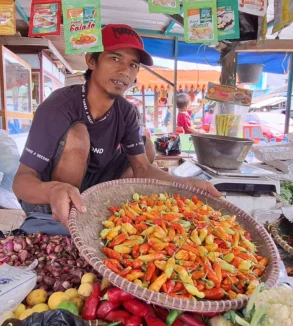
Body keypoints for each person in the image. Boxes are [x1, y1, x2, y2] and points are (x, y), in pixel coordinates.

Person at [13, 24, 220, 230]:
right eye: (115, 58)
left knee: (146, 145)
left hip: (91, 190)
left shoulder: (127, 111)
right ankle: (67, 219)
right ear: (91, 61)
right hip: (47, 201)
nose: (124, 71)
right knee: (78, 135)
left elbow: (142, 168)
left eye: (133, 65)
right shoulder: (58, 107)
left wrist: (183, 182)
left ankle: (105, 210)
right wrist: (52, 191)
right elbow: (22, 182)